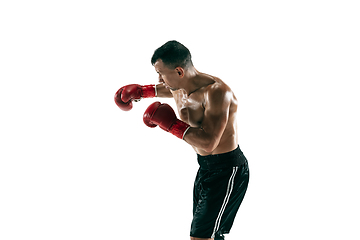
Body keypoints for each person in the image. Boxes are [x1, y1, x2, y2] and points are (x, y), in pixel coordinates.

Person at [114, 40, 249, 240]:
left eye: (161, 73)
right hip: (205, 168)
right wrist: (140, 91)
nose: (158, 78)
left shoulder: (217, 92)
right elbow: (163, 89)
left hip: (227, 170)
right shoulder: (179, 87)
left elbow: (208, 143)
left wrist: (171, 124)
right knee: (209, 235)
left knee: (200, 236)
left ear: (179, 71)